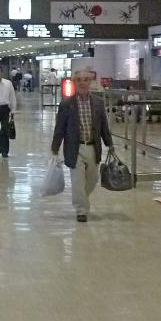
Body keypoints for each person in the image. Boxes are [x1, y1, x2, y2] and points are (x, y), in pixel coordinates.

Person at [50, 62, 114, 223]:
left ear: (90, 82)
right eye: (79, 80)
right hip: (75, 147)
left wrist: (109, 143)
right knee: (78, 181)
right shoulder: (67, 104)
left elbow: (104, 126)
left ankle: (81, 199)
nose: (83, 83)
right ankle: (81, 210)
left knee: (92, 179)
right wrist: (55, 148)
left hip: (92, 146)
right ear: (74, 82)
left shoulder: (98, 102)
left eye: (86, 80)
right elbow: (59, 128)